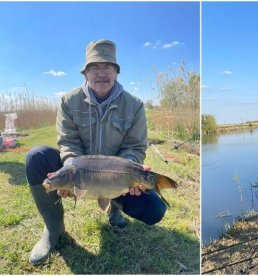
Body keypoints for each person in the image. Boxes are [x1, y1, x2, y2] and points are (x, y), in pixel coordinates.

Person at [24, 39, 167, 265]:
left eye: (107, 66)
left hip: (116, 174)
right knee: (36, 157)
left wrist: (131, 168)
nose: (101, 73)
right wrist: (70, 173)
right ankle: (54, 229)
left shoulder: (134, 105)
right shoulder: (68, 101)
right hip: (80, 168)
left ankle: (115, 208)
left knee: (155, 210)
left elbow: (135, 147)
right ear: (85, 73)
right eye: (94, 67)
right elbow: (68, 142)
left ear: (116, 72)